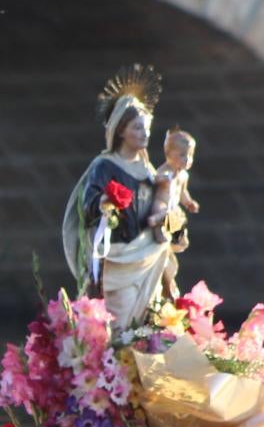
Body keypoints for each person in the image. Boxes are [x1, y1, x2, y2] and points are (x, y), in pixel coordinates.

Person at [61, 65, 179, 326]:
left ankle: (139, 362)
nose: (145, 133)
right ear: (121, 130)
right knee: (120, 320)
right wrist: (104, 204)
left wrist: (168, 212)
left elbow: (156, 208)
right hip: (118, 257)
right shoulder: (105, 165)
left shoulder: (147, 170)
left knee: (148, 317)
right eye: (138, 128)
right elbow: (88, 202)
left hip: (147, 253)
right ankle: (115, 363)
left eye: (146, 127)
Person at [149, 126, 200, 301]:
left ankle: (170, 239)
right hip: (162, 205)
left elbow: (182, 193)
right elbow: (154, 179)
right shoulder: (166, 170)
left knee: (181, 242)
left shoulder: (183, 176)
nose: (187, 160)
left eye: (190, 156)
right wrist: (162, 179)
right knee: (160, 211)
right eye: (182, 155)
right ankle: (156, 226)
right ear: (169, 154)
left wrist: (189, 203)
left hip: (174, 211)